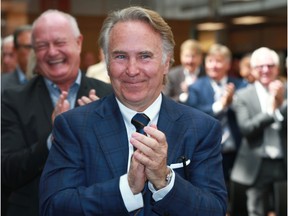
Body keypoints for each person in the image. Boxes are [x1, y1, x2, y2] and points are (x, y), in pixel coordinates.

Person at [39, 6, 227, 216]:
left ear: (166, 63)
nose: (132, 70)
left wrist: (165, 181)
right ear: (107, 64)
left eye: (145, 56)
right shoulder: (73, 126)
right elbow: (54, 207)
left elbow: (214, 210)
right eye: (120, 56)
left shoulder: (201, 128)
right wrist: (127, 189)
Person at [1, 10, 113, 216]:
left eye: (60, 42)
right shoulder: (13, 100)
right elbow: (7, 171)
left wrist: (106, 131)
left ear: (78, 43)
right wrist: (54, 136)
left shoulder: (108, 96)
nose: (52, 52)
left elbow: (125, 169)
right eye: (43, 45)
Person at [231, 47, 287, 216]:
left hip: (283, 162)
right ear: (253, 70)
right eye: (260, 66)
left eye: (270, 66)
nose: (265, 70)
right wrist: (272, 111)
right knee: (256, 211)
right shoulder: (242, 96)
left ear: (277, 69)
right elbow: (246, 129)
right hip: (256, 164)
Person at [1, 25, 32, 92]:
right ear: (15, 50)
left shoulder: (52, 82)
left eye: (40, 46)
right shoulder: (2, 86)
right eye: (28, 47)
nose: (6, 61)